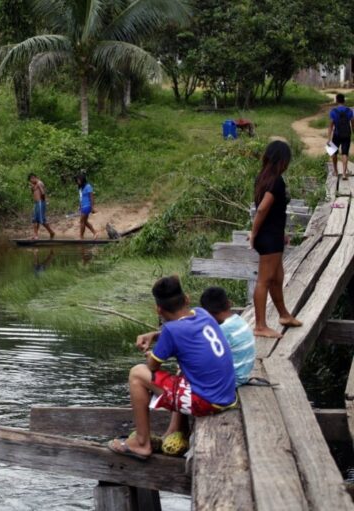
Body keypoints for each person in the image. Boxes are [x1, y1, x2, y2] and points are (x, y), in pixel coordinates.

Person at [107, 276, 236, 460]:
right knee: (181, 369)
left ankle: (142, 443)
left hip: (209, 402)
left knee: (137, 374)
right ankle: (174, 430)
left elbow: (151, 367)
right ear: (187, 299)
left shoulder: (171, 331)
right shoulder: (202, 313)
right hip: (226, 395)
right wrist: (155, 335)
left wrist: (152, 354)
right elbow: (186, 331)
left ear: (158, 309)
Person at [250, 140, 302, 338]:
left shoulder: (263, 178)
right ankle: (260, 326)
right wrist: (253, 234)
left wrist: (281, 233)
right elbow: (263, 208)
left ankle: (284, 315)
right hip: (268, 238)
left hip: (273, 235)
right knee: (264, 280)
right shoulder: (276, 181)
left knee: (277, 278)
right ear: (282, 160)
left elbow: (273, 211)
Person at [200, 287, 255, 386]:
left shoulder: (222, 330)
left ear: (208, 313)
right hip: (243, 374)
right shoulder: (239, 319)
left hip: (232, 380)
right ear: (229, 303)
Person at [327, 93, 353, 180]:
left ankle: (336, 171)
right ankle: (344, 174)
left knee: (333, 152)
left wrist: (328, 138)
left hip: (336, 134)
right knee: (345, 153)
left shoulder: (333, 111)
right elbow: (353, 123)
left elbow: (331, 125)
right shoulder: (349, 111)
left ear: (337, 100)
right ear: (344, 100)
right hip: (347, 134)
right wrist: (353, 132)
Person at [28, 173, 55, 240]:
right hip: (36, 203)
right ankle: (36, 235)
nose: (31, 180)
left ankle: (51, 232)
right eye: (30, 179)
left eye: (32, 178)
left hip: (40, 203)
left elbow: (43, 193)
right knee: (34, 219)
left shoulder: (39, 183)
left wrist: (43, 202)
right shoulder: (35, 185)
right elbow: (34, 192)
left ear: (35, 177)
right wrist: (32, 188)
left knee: (41, 220)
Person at [76, 174, 98, 239]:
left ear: (82, 180)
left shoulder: (88, 186)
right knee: (84, 222)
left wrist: (92, 207)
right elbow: (81, 198)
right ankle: (95, 233)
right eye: (77, 180)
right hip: (83, 206)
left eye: (78, 180)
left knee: (81, 221)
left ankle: (81, 236)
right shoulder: (80, 188)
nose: (78, 181)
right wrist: (80, 205)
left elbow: (91, 197)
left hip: (87, 206)